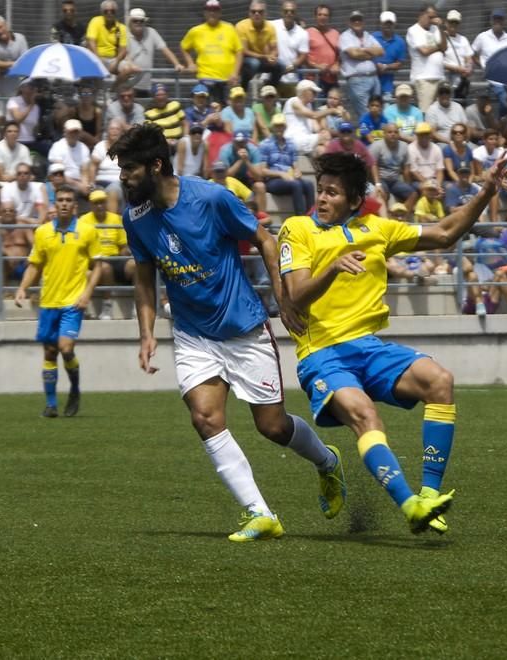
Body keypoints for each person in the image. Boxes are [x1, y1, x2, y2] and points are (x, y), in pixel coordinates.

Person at [107, 123, 347, 541]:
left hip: (244, 329)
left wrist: (284, 299)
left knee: (272, 427)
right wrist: (145, 333)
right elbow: (144, 279)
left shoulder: (211, 198)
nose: (123, 178)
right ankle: (260, 513)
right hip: (193, 334)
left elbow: (265, 240)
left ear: (156, 165)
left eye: (129, 169)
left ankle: (328, 462)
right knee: (205, 417)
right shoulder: (136, 217)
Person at [277, 150, 507, 534]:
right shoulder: (298, 229)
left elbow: (446, 233)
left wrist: (485, 192)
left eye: (333, 193)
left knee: (440, 381)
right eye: (320, 190)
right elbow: (296, 295)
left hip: (368, 348)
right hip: (322, 354)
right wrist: (333, 267)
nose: (322, 199)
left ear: (354, 200)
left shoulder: (377, 228)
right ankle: (409, 506)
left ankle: (429, 496)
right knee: (366, 416)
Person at [15, 185, 103, 417]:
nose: (64, 203)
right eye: (60, 200)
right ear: (55, 205)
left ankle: (74, 388)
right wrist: (22, 288)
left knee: (66, 348)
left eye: (68, 200)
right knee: (50, 353)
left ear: (75, 206)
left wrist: (86, 294)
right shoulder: (42, 232)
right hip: (48, 302)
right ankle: (51, 404)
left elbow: (98, 267)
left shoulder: (87, 231)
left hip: (73, 302)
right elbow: (35, 265)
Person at [79, 188, 132, 321]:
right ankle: (107, 305)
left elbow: (123, 245)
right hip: (94, 259)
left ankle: (139, 305)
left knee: (135, 265)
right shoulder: (83, 221)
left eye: (102, 202)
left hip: (115, 257)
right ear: (91, 205)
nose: (100, 206)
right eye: (96, 203)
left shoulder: (116, 219)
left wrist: (125, 251)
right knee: (105, 267)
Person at [180, 0, 243, 105]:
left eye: (215, 10)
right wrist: (190, 63)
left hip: (227, 79)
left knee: (226, 111)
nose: (212, 13)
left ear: (220, 13)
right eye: (209, 10)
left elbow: (239, 51)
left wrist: (235, 73)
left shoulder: (229, 28)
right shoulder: (196, 31)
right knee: (206, 110)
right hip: (206, 78)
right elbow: (183, 47)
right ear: (204, 12)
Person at [259, 113, 314, 215]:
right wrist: (281, 174)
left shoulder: (291, 144)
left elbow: (295, 165)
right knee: (296, 184)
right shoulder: (265, 144)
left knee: (309, 184)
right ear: (273, 127)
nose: (279, 128)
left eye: (281, 126)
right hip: (273, 181)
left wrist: (297, 172)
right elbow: (263, 171)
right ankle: (300, 218)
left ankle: (311, 216)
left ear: (285, 127)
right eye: (277, 126)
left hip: (289, 178)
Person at [125, 8, 183, 95]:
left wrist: (177, 64)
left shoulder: (151, 32)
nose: (138, 23)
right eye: (135, 21)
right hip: (128, 85)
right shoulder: (124, 34)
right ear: (130, 22)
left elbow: (165, 50)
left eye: (141, 21)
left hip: (145, 86)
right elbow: (123, 56)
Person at [338, 10, 384, 119]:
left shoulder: (368, 35)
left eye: (359, 19)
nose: (357, 22)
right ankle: (367, 135)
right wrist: (371, 53)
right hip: (357, 80)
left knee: (377, 112)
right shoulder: (345, 36)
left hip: (374, 78)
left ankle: (376, 136)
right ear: (349, 22)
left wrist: (362, 50)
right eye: (354, 20)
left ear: (363, 22)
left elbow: (381, 51)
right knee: (365, 114)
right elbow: (354, 54)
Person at [471, 9, 507, 118]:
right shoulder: (482, 37)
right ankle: (500, 126)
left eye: (500, 19)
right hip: (490, 79)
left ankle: (502, 126)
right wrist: (482, 65)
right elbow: (471, 53)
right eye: (495, 18)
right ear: (491, 20)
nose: (497, 21)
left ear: (504, 21)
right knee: (505, 102)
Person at [405, 4, 447, 113]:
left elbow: (445, 47)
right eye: (430, 17)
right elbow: (424, 51)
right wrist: (439, 47)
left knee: (440, 112)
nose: (433, 20)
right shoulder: (413, 30)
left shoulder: (435, 29)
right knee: (426, 111)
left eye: (435, 17)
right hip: (424, 78)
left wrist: (441, 28)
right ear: (421, 15)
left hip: (439, 77)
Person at [236, 1, 283, 92]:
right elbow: (244, 51)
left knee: (281, 65)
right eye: (253, 11)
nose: (256, 14)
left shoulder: (270, 27)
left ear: (265, 13)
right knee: (254, 63)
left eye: (260, 11)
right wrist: (265, 56)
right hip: (245, 61)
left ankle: (269, 91)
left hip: (262, 59)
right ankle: (242, 89)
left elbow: (275, 49)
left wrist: (272, 56)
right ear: (249, 13)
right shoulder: (241, 26)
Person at [369, 123, 417, 212]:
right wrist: (377, 184)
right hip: (381, 178)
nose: (393, 134)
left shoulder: (404, 146)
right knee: (383, 194)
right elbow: (372, 165)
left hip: (395, 180)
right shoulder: (376, 146)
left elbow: (406, 167)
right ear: (384, 134)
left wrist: (408, 184)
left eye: (395, 132)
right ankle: (386, 217)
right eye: (390, 132)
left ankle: (400, 215)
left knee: (413, 193)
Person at [283, 79, 336, 155]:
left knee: (322, 149)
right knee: (325, 137)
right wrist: (332, 110)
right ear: (304, 91)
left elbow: (316, 128)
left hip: (305, 140)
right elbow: (314, 115)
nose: (315, 95)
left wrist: (323, 130)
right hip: (293, 140)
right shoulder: (293, 101)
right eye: (313, 92)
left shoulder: (309, 106)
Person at [0, 15, 29, 107]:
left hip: (17, 81)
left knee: (15, 111)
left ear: (6, 25)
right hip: (0, 83)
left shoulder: (20, 38)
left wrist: (4, 66)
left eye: (0, 27)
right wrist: (13, 64)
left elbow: (25, 60)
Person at [271, 1, 309, 97]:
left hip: (291, 79)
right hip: (271, 77)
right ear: (281, 12)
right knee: (271, 111)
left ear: (296, 13)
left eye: (292, 11)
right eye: (286, 11)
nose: (289, 13)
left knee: (291, 110)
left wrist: (290, 67)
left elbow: (303, 55)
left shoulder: (302, 33)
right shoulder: (272, 26)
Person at [47, 119, 91, 198]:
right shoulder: (57, 146)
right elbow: (59, 174)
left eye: (76, 132)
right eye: (71, 132)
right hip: (62, 182)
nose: (73, 134)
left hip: (79, 182)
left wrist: (85, 185)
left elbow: (85, 171)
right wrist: (79, 185)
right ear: (65, 132)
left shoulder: (84, 148)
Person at [86, 1, 128, 81]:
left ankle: (113, 89)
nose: (109, 13)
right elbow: (91, 41)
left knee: (129, 68)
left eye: (112, 11)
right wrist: (98, 59)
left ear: (116, 12)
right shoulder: (95, 21)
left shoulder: (122, 28)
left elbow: (123, 49)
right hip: (97, 58)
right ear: (102, 12)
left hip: (113, 59)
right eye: (106, 11)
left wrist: (116, 62)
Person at [372, 11, 407, 102]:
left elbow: (399, 63)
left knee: (386, 111)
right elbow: (367, 56)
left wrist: (385, 67)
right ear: (381, 24)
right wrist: (376, 65)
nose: (388, 26)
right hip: (370, 82)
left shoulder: (400, 42)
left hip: (387, 85)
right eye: (385, 23)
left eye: (390, 23)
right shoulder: (373, 37)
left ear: (394, 24)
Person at [306, 4, 340, 95]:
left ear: (329, 17)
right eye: (320, 14)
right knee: (317, 108)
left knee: (333, 108)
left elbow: (340, 55)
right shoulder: (308, 33)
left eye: (325, 15)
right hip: (315, 80)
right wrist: (316, 66)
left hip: (332, 80)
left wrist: (337, 64)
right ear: (315, 16)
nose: (322, 17)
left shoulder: (335, 33)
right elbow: (303, 57)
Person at [144, 84, 185, 152]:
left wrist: (185, 138)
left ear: (167, 95)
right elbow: (150, 133)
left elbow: (185, 123)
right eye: (158, 95)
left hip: (179, 142)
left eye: (163, 94)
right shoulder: (148, 113)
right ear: (153, 97)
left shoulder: (175, 105)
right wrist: (165, 141)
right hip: (161, 144)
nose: (161, 97)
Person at [443, 10, 473, 102]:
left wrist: (468, 68)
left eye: (456, 23)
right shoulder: (441, 37)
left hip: (460, 81)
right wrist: (456, 68)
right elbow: (438, 60)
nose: (453, 25)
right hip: (445, 80)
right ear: (446, 23)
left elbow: (469, 58)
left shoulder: (463, 39)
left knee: (460, 107)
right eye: (451, 22)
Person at [407, 122, 444, 191]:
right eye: (421, 134)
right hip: (418, 181)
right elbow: (414, 172)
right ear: (417, 135)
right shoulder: (411, 148)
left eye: (426, 134)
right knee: (426, 189)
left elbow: (440, 170)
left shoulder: (437, 148)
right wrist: (429, 184)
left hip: (434, 179)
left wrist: (438, 185)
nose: (424, 136)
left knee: (447, 188)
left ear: (430, 135)